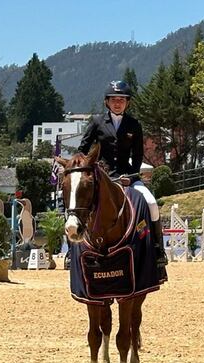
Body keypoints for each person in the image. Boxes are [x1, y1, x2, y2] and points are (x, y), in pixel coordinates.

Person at [76, 80, 167, 277]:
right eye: (114, 99)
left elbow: (138, 155)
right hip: (102, 178)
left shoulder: (134, 124)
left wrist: (132, 175)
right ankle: (73, 252)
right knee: (78, 203)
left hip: (127, 177)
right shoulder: (97, 122)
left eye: (122, 100)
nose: (118, 103)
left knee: (151, 203)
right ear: (107, 102)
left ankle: (159, 251)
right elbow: (83, 149)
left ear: (128, 103)